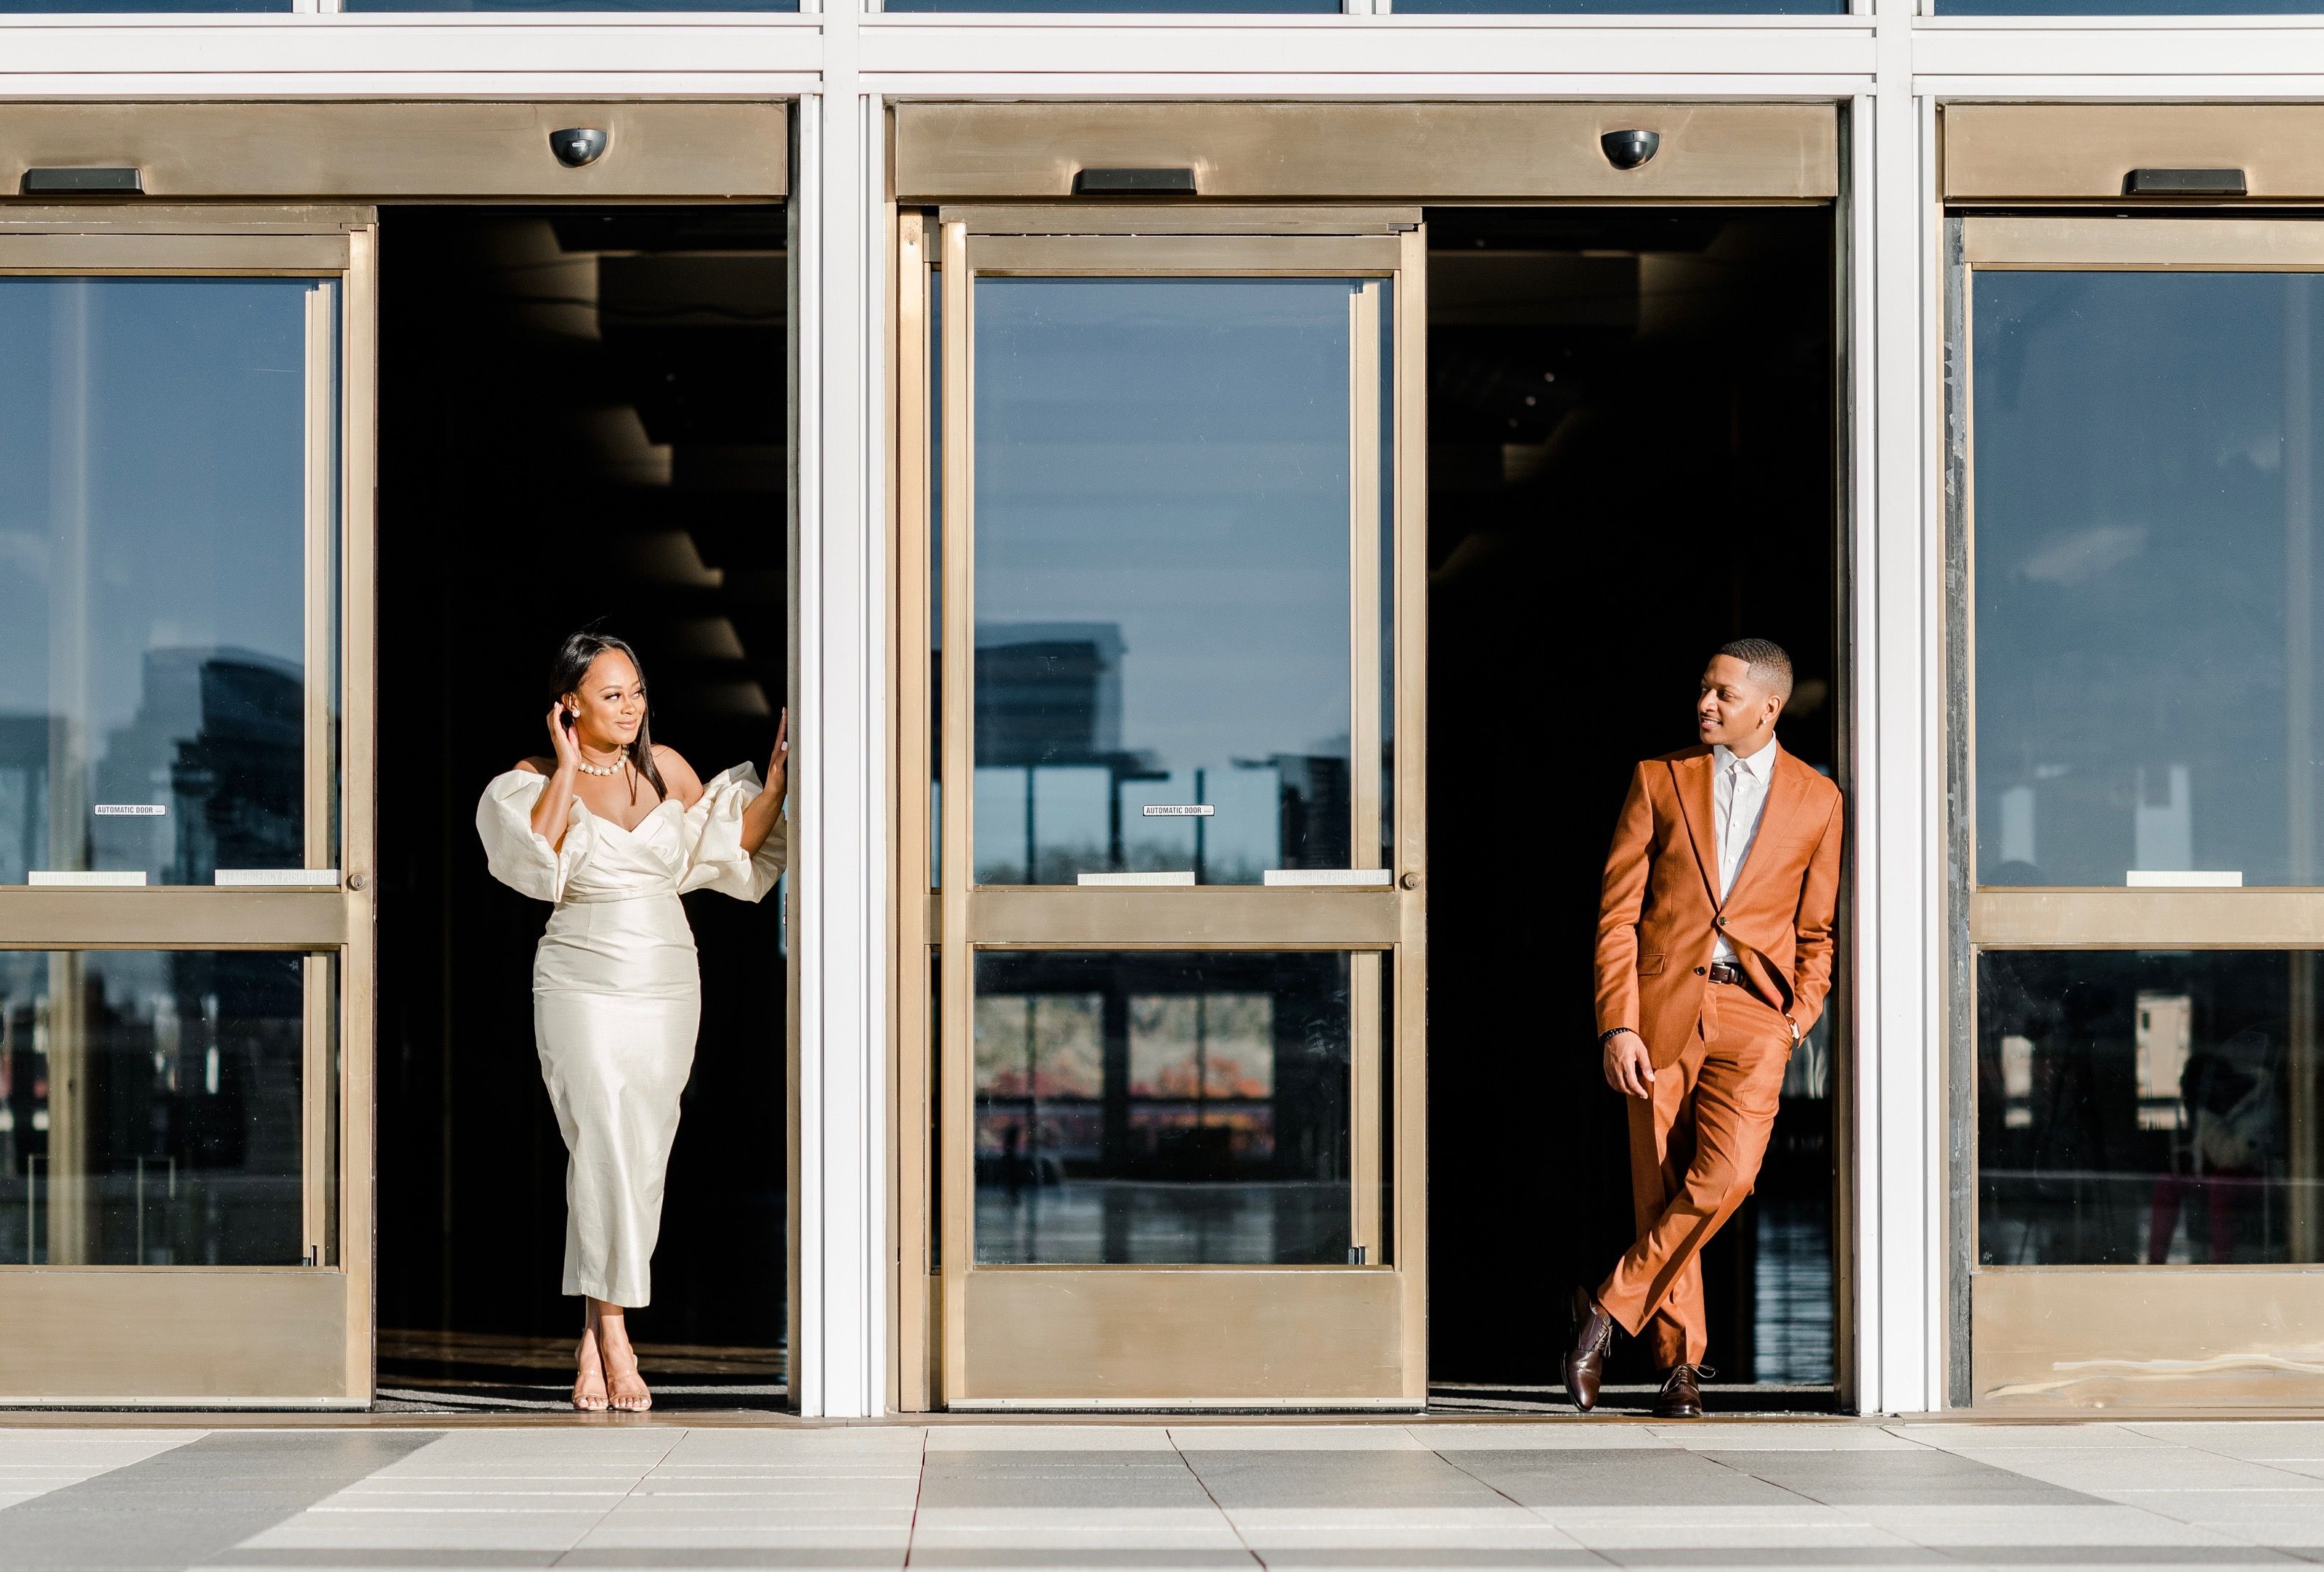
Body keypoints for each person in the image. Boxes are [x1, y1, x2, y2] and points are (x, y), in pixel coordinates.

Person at [476, 630, 788, 1412]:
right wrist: (568, 763)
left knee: (640, 1149)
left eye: (637, 691)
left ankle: (592, 1330)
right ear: (569, 702)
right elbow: (536, 857)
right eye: (611, 693)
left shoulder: (670, 769)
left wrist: (776, 785)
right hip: (579, 972)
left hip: (666, 976)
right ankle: (616, 1331)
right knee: (601, 1141)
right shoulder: (528, 781)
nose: (631, 706)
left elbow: (731, 850)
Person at [1564, 638, 1842, 1418]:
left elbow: (1817, 931)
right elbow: (1617, 914)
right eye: (1703, 689)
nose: (1705, 704)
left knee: (1727, 1178)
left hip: (1756, 1014)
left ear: (1769, 706)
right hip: (1658, 1012)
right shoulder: (1660, 777)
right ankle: (1681, 1367)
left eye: (1723, 693)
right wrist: (1617, 1025)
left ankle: (1604, 1313)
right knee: (1660, 1189)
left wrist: (1797, 1019)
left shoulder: (1818, 801)